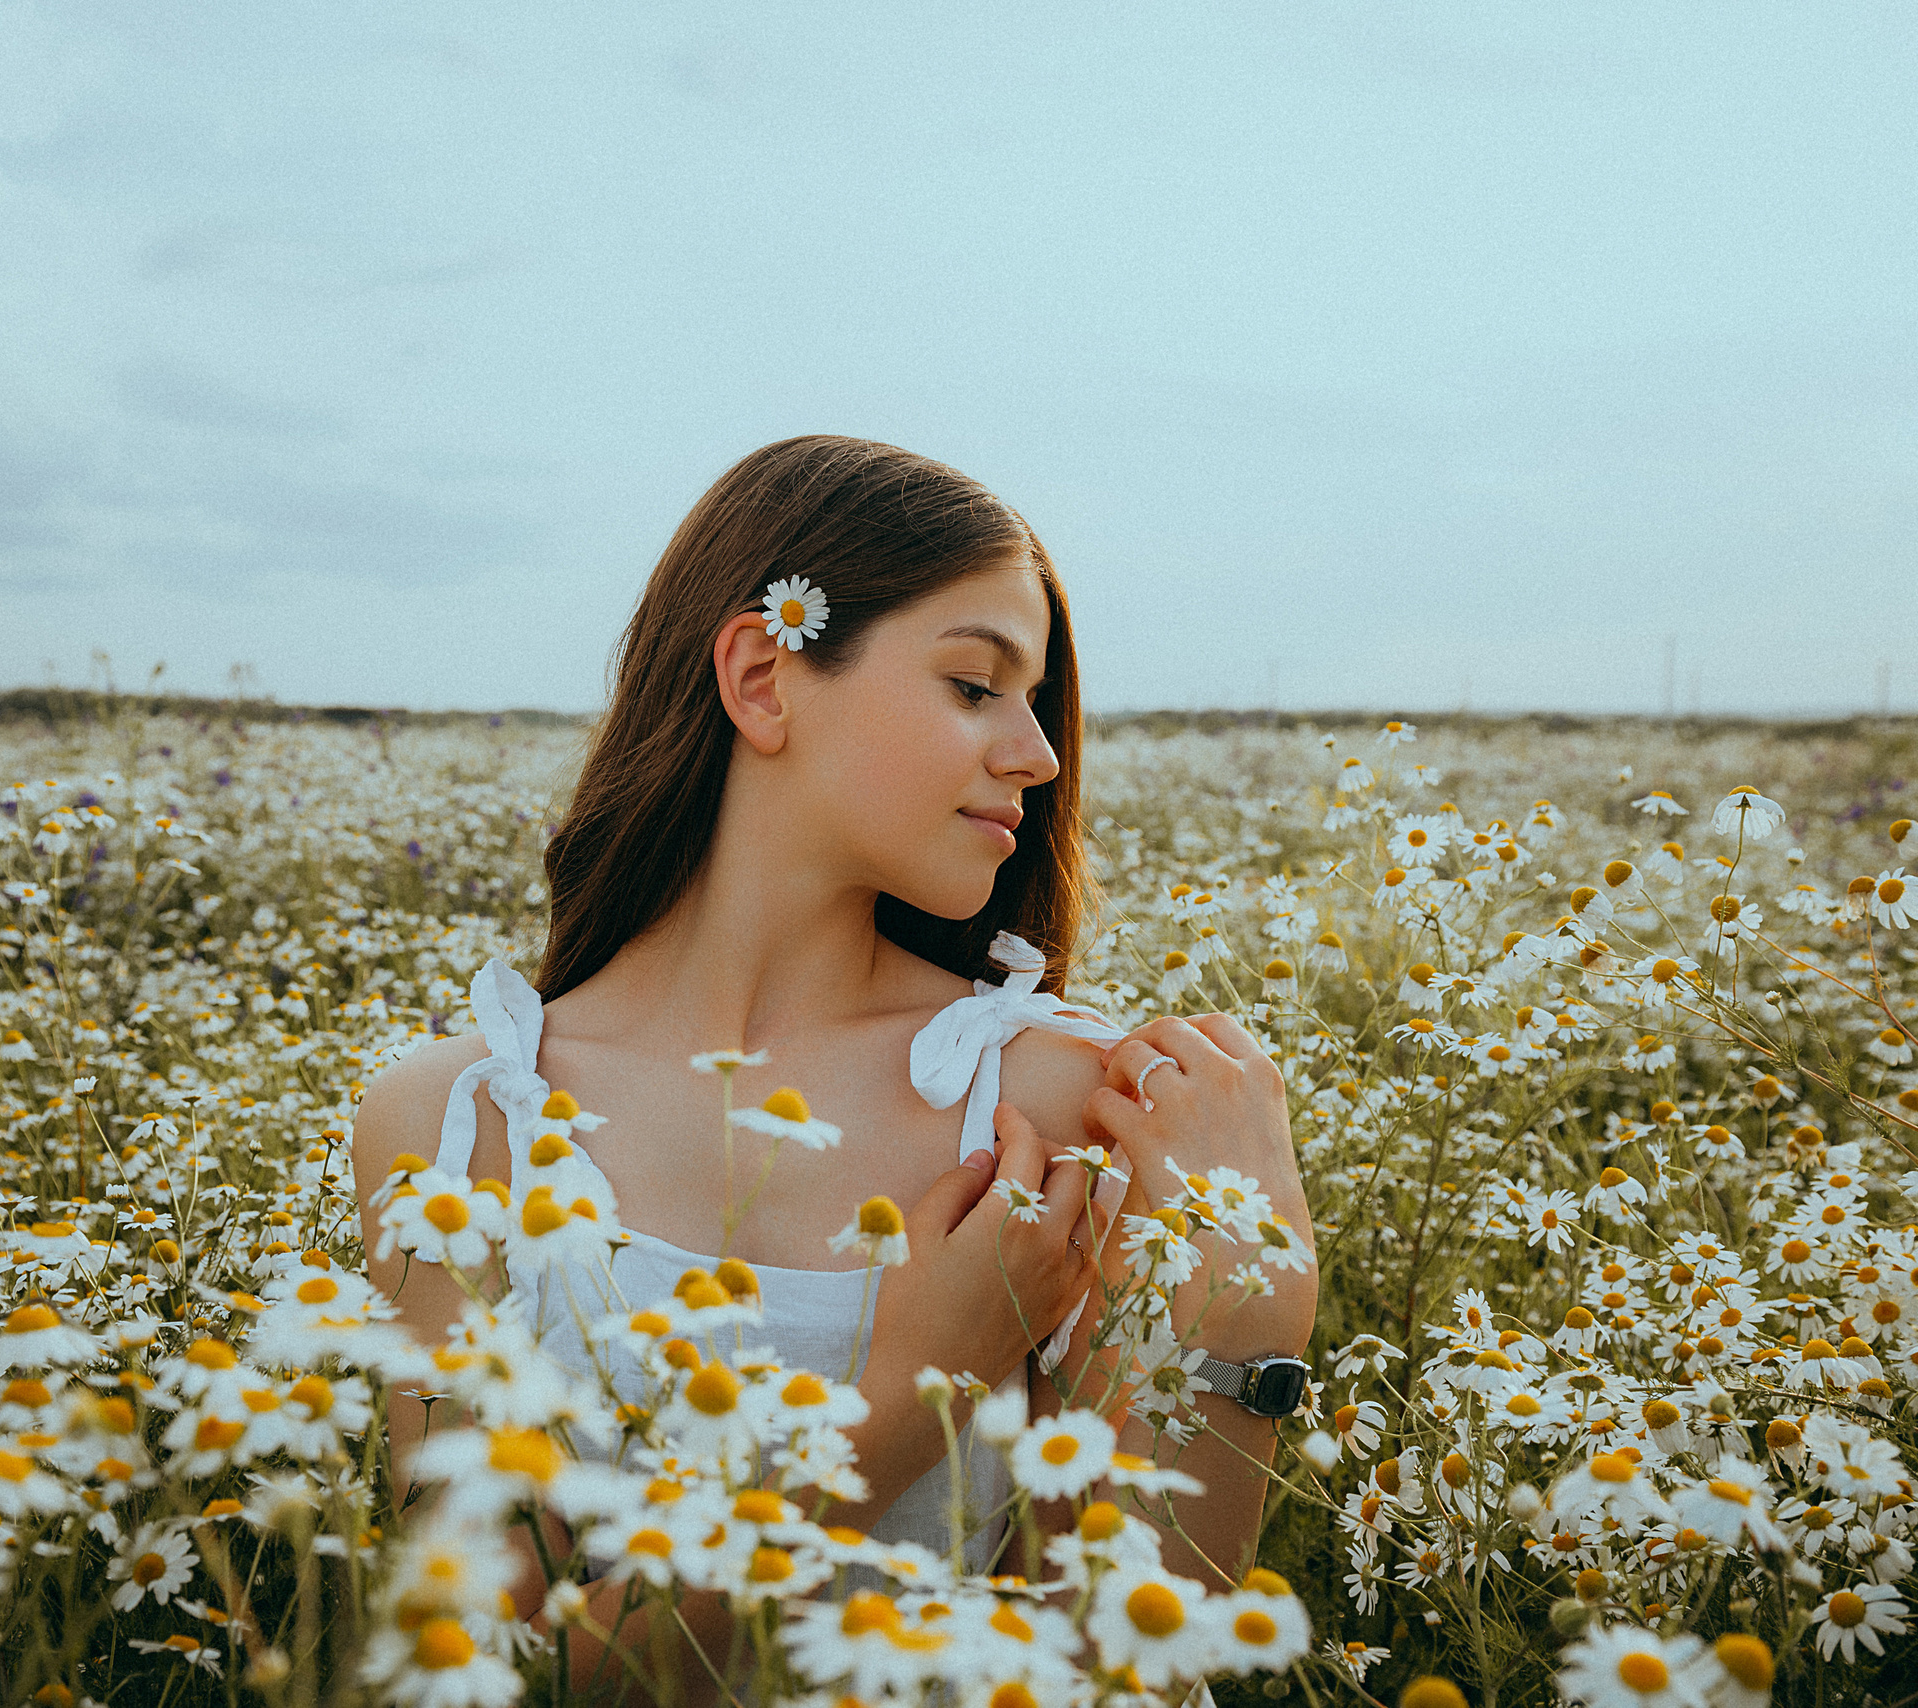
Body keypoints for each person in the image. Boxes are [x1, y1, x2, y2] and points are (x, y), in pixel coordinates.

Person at [351, 433, 1314, 1691]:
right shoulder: (452, 1122)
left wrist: (1251, 1306)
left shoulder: (1050, 1103)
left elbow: (1133, 1667)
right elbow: (502, 1675)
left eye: (1035, 701)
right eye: (976, 685)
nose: (1038, 753)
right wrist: (906, 1394)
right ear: (763, 675)